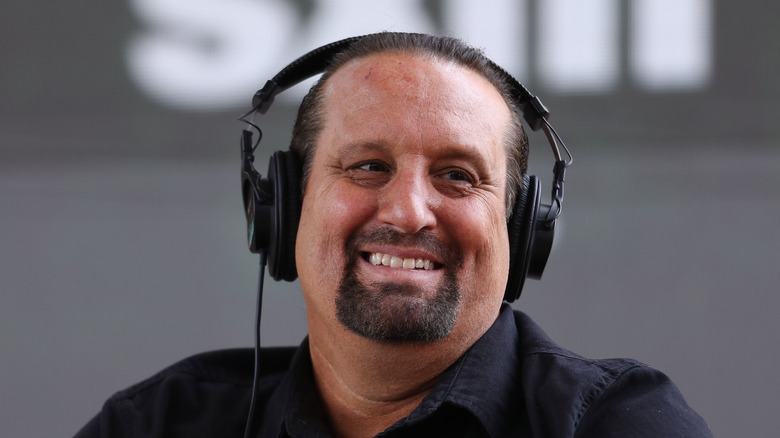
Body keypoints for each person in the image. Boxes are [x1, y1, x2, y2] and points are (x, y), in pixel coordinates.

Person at [75, 32, 712, 438]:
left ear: (523, 228)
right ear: (283, 205)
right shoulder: (157, 425)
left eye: (458, 176)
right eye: (368, 166)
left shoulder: (615, 425)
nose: (408, 213)